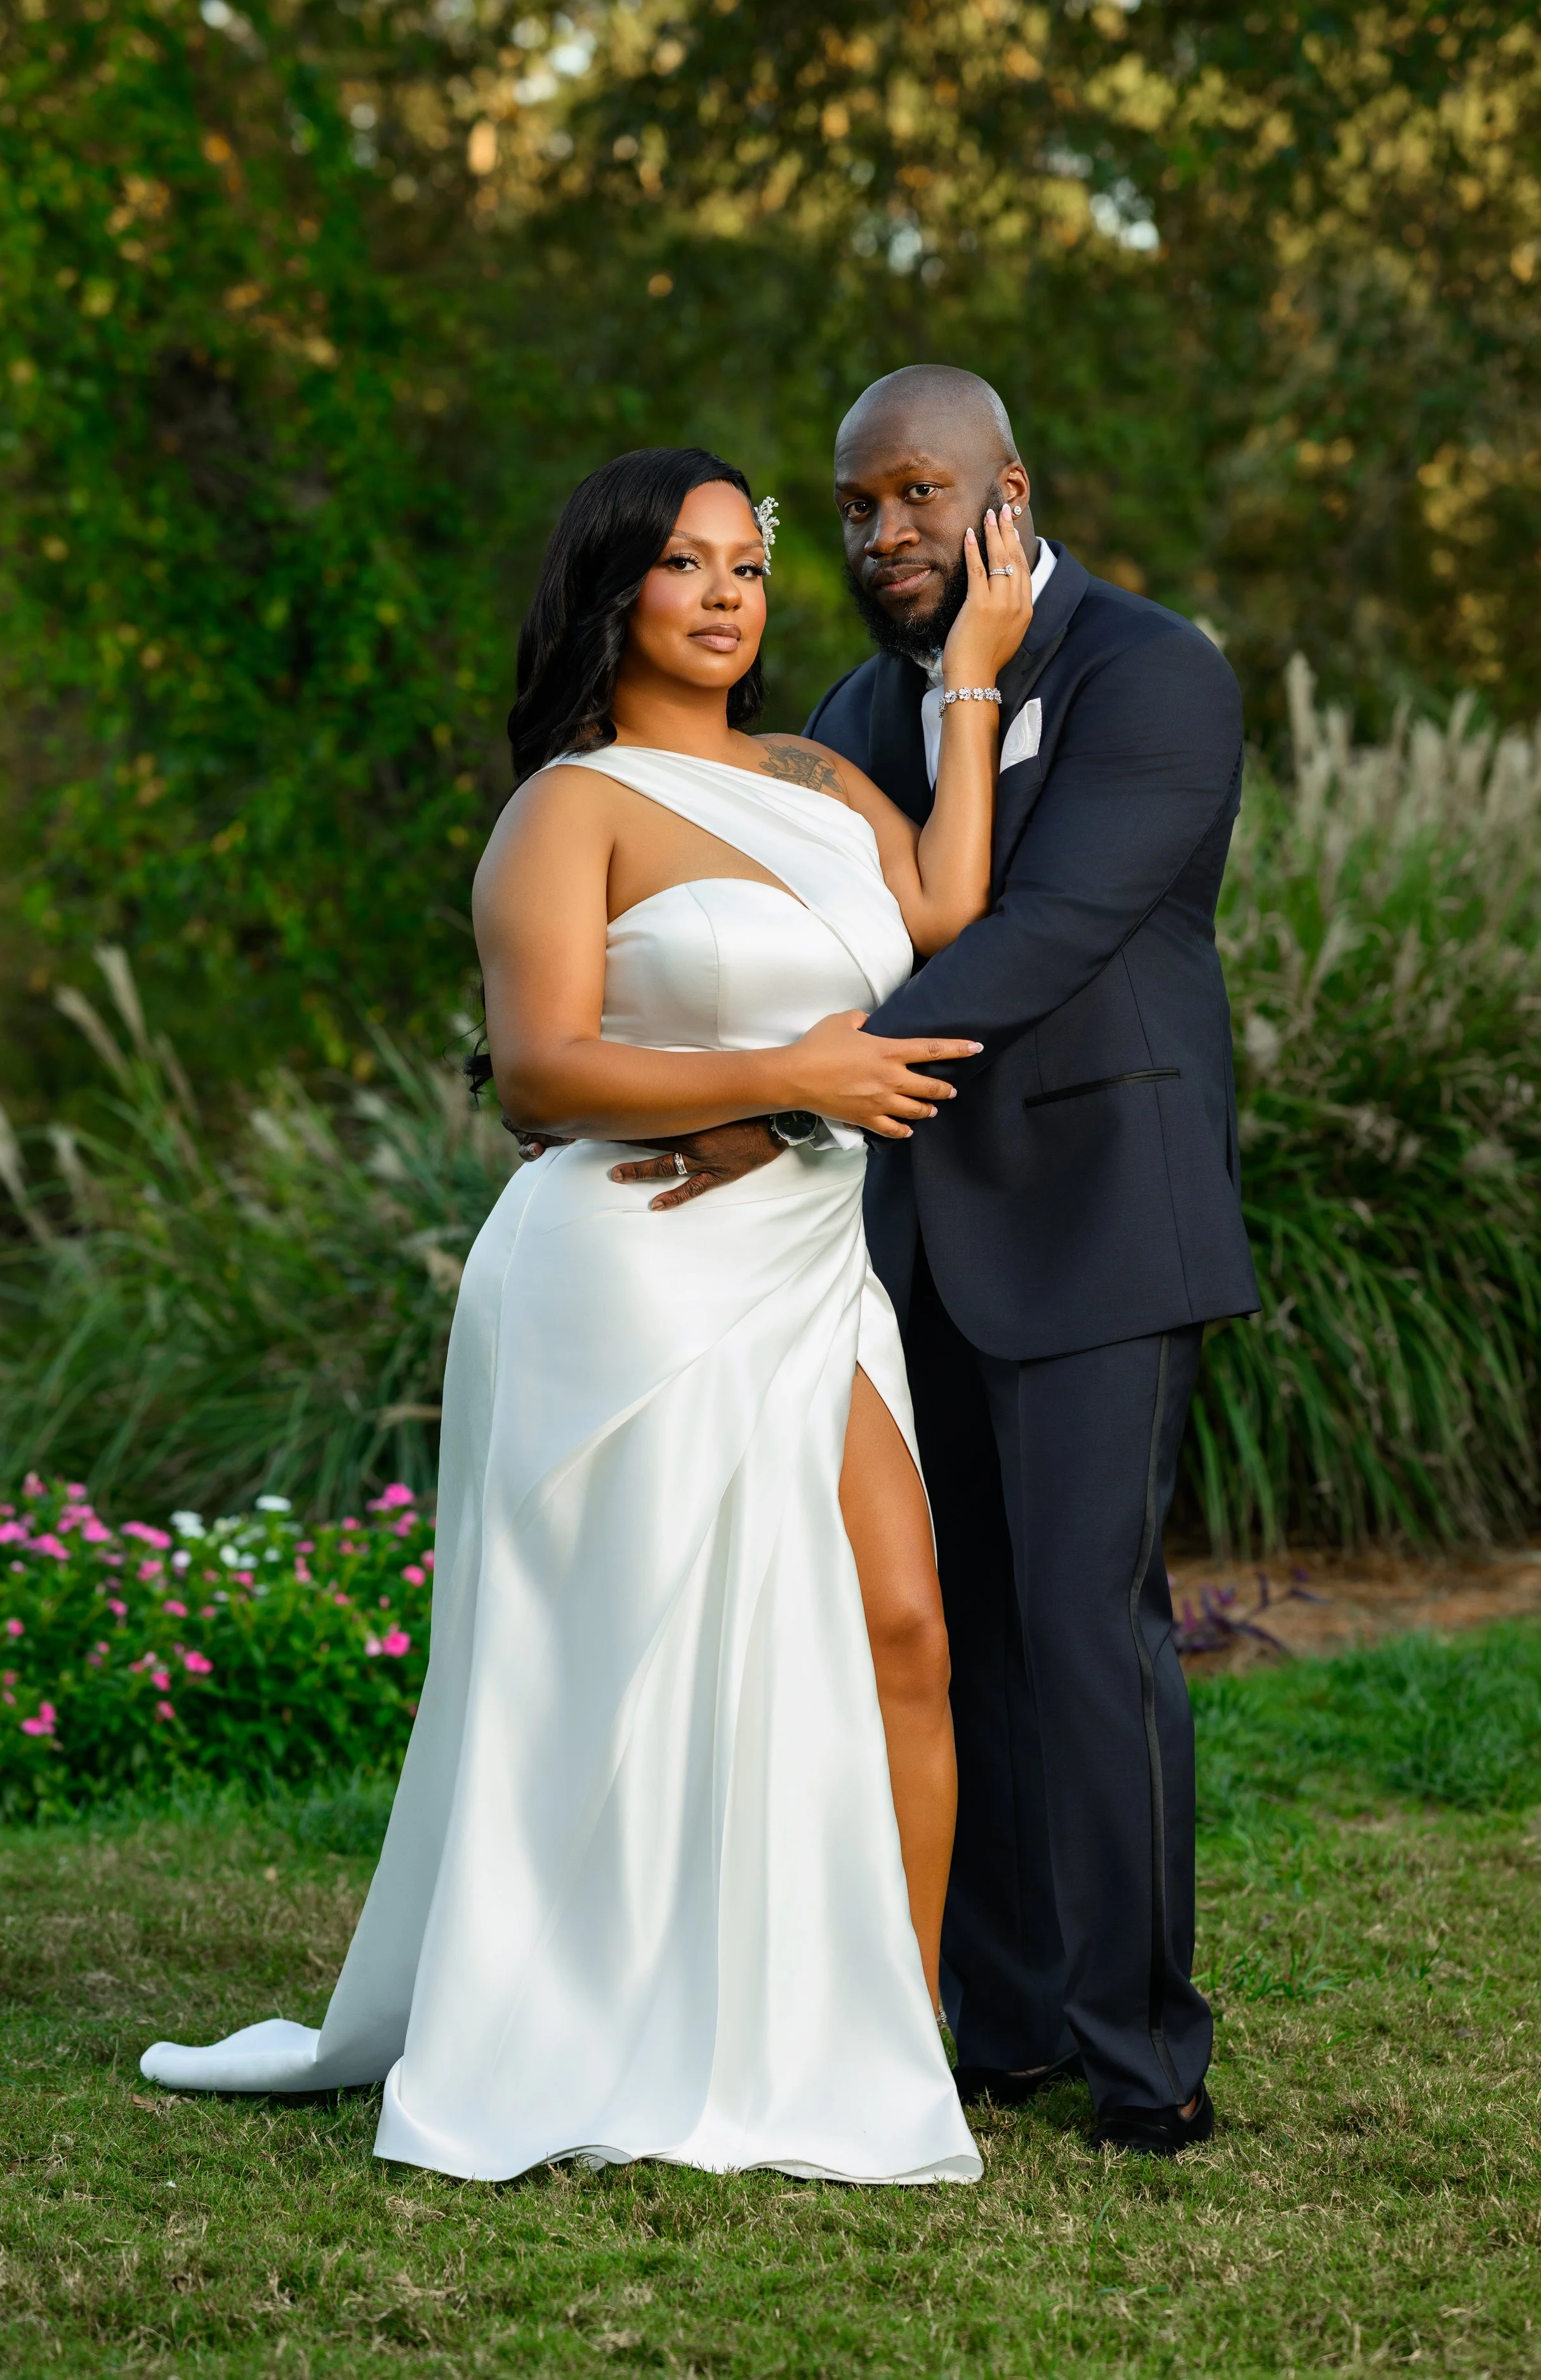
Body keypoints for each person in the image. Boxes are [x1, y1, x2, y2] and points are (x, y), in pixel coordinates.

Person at [140, 444, 1033, 2185]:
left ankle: (895, 2034)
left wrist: (975, 673)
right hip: (619, 1266)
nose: (726, 595)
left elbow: (941, 911)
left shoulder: (818, 775)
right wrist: (791, 1070)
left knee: (900, 1622)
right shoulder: (568, 805)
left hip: (797, 1245)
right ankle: (580, 2012)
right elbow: (540, 1065)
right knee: (614, 1665)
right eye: (687, 563)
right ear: (614, 586)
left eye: (749, 568)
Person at [607, 368, 1259, 2158]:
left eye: (912, 496)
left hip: (1099, 1221)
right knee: (953, 1641)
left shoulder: (1151, 672)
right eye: (855, 504)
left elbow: (1044, 933)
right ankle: (1011, 2017)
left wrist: (786, 1101)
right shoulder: (850, 707)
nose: (881, 534)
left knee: (1080, 1627)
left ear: (1006, 493)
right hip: (903, 1249)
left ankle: (1147, 2055)